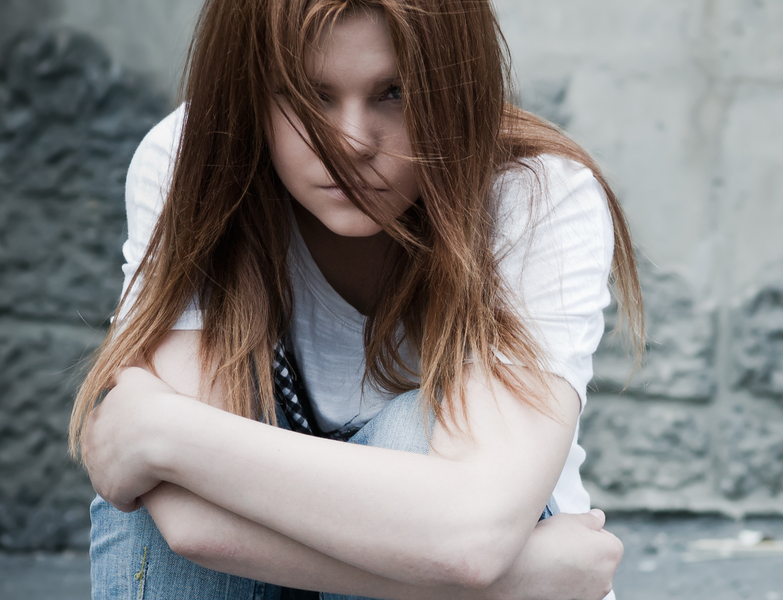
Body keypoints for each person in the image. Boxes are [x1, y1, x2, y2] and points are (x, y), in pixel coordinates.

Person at [68, 0, 642, 598]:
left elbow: (475, 535)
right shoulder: (194, 160)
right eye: (307, 94)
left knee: (412, 433)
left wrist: (163, 431)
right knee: (153, 513)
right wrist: (512, 576)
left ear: (456, 87)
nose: (350, 141)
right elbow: (185, 523)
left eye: (395, 93)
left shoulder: (534, 195)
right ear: (248, 90)